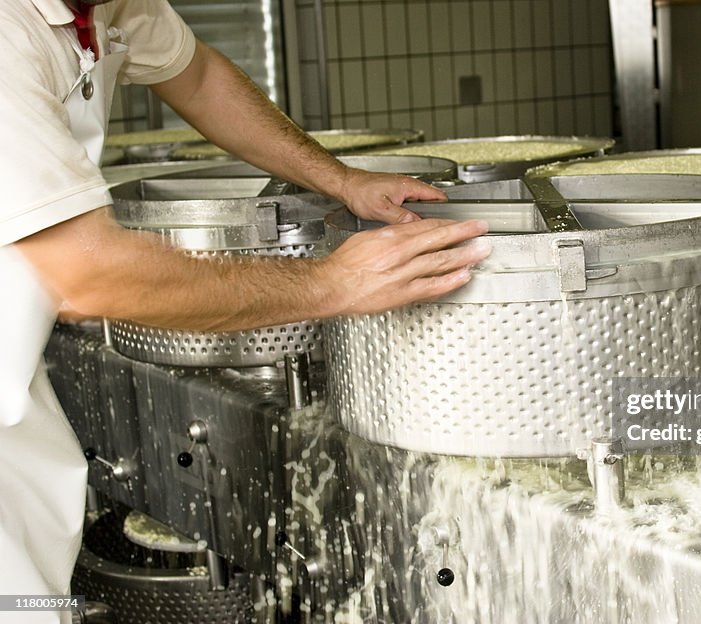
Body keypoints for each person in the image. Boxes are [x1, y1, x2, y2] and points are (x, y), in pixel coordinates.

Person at [0, 1, 491, 621]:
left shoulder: (108, 5)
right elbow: (91, 275)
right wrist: (332, 284)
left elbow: (198, 76)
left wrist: (340, 180)